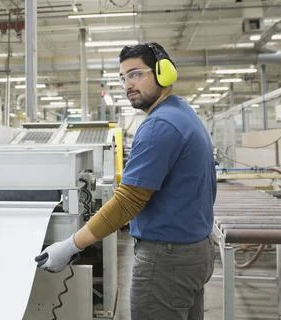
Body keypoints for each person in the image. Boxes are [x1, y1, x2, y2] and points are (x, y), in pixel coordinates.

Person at [35, 43, 216, 320]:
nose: (127, 85)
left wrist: (71, 245)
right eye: (123, 77)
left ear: (163, 73)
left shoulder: (160, 125)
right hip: (193, 250)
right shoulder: (181, 113)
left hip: (167, 260)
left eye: (135, 74)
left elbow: (127, 201)